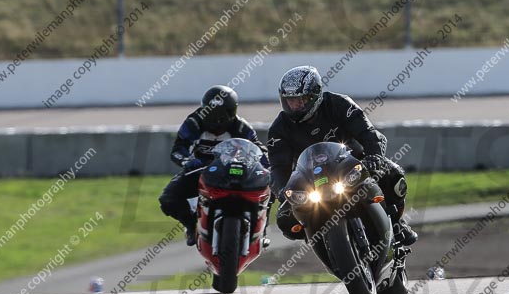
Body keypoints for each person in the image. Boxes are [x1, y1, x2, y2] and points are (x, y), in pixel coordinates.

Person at [268, 65, 418, 248]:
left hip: (353, 167)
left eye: (301, 100)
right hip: (310, 181)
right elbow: (277, 166)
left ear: (315, 95)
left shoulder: (339, 104)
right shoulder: (279, 128)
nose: (295, 105)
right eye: (290, 100)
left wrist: (374, 157)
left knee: (392, 174)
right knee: (285, 219)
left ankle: (396, 223)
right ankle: (321, 240)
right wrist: (282, 189)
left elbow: (368, 133)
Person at [159, 85, 268, 246]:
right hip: (200, 170)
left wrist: (266, 167)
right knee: (168, 199)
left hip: (232, 171)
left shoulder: (241, 127)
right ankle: (191, 225)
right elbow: (177, 149)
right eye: (208, 113)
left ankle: (262, 231)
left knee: (266, 187)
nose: (212, 120)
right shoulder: (194, 122)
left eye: (218, 116)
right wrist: (188, 161)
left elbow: (258, 149)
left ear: (231, 113)